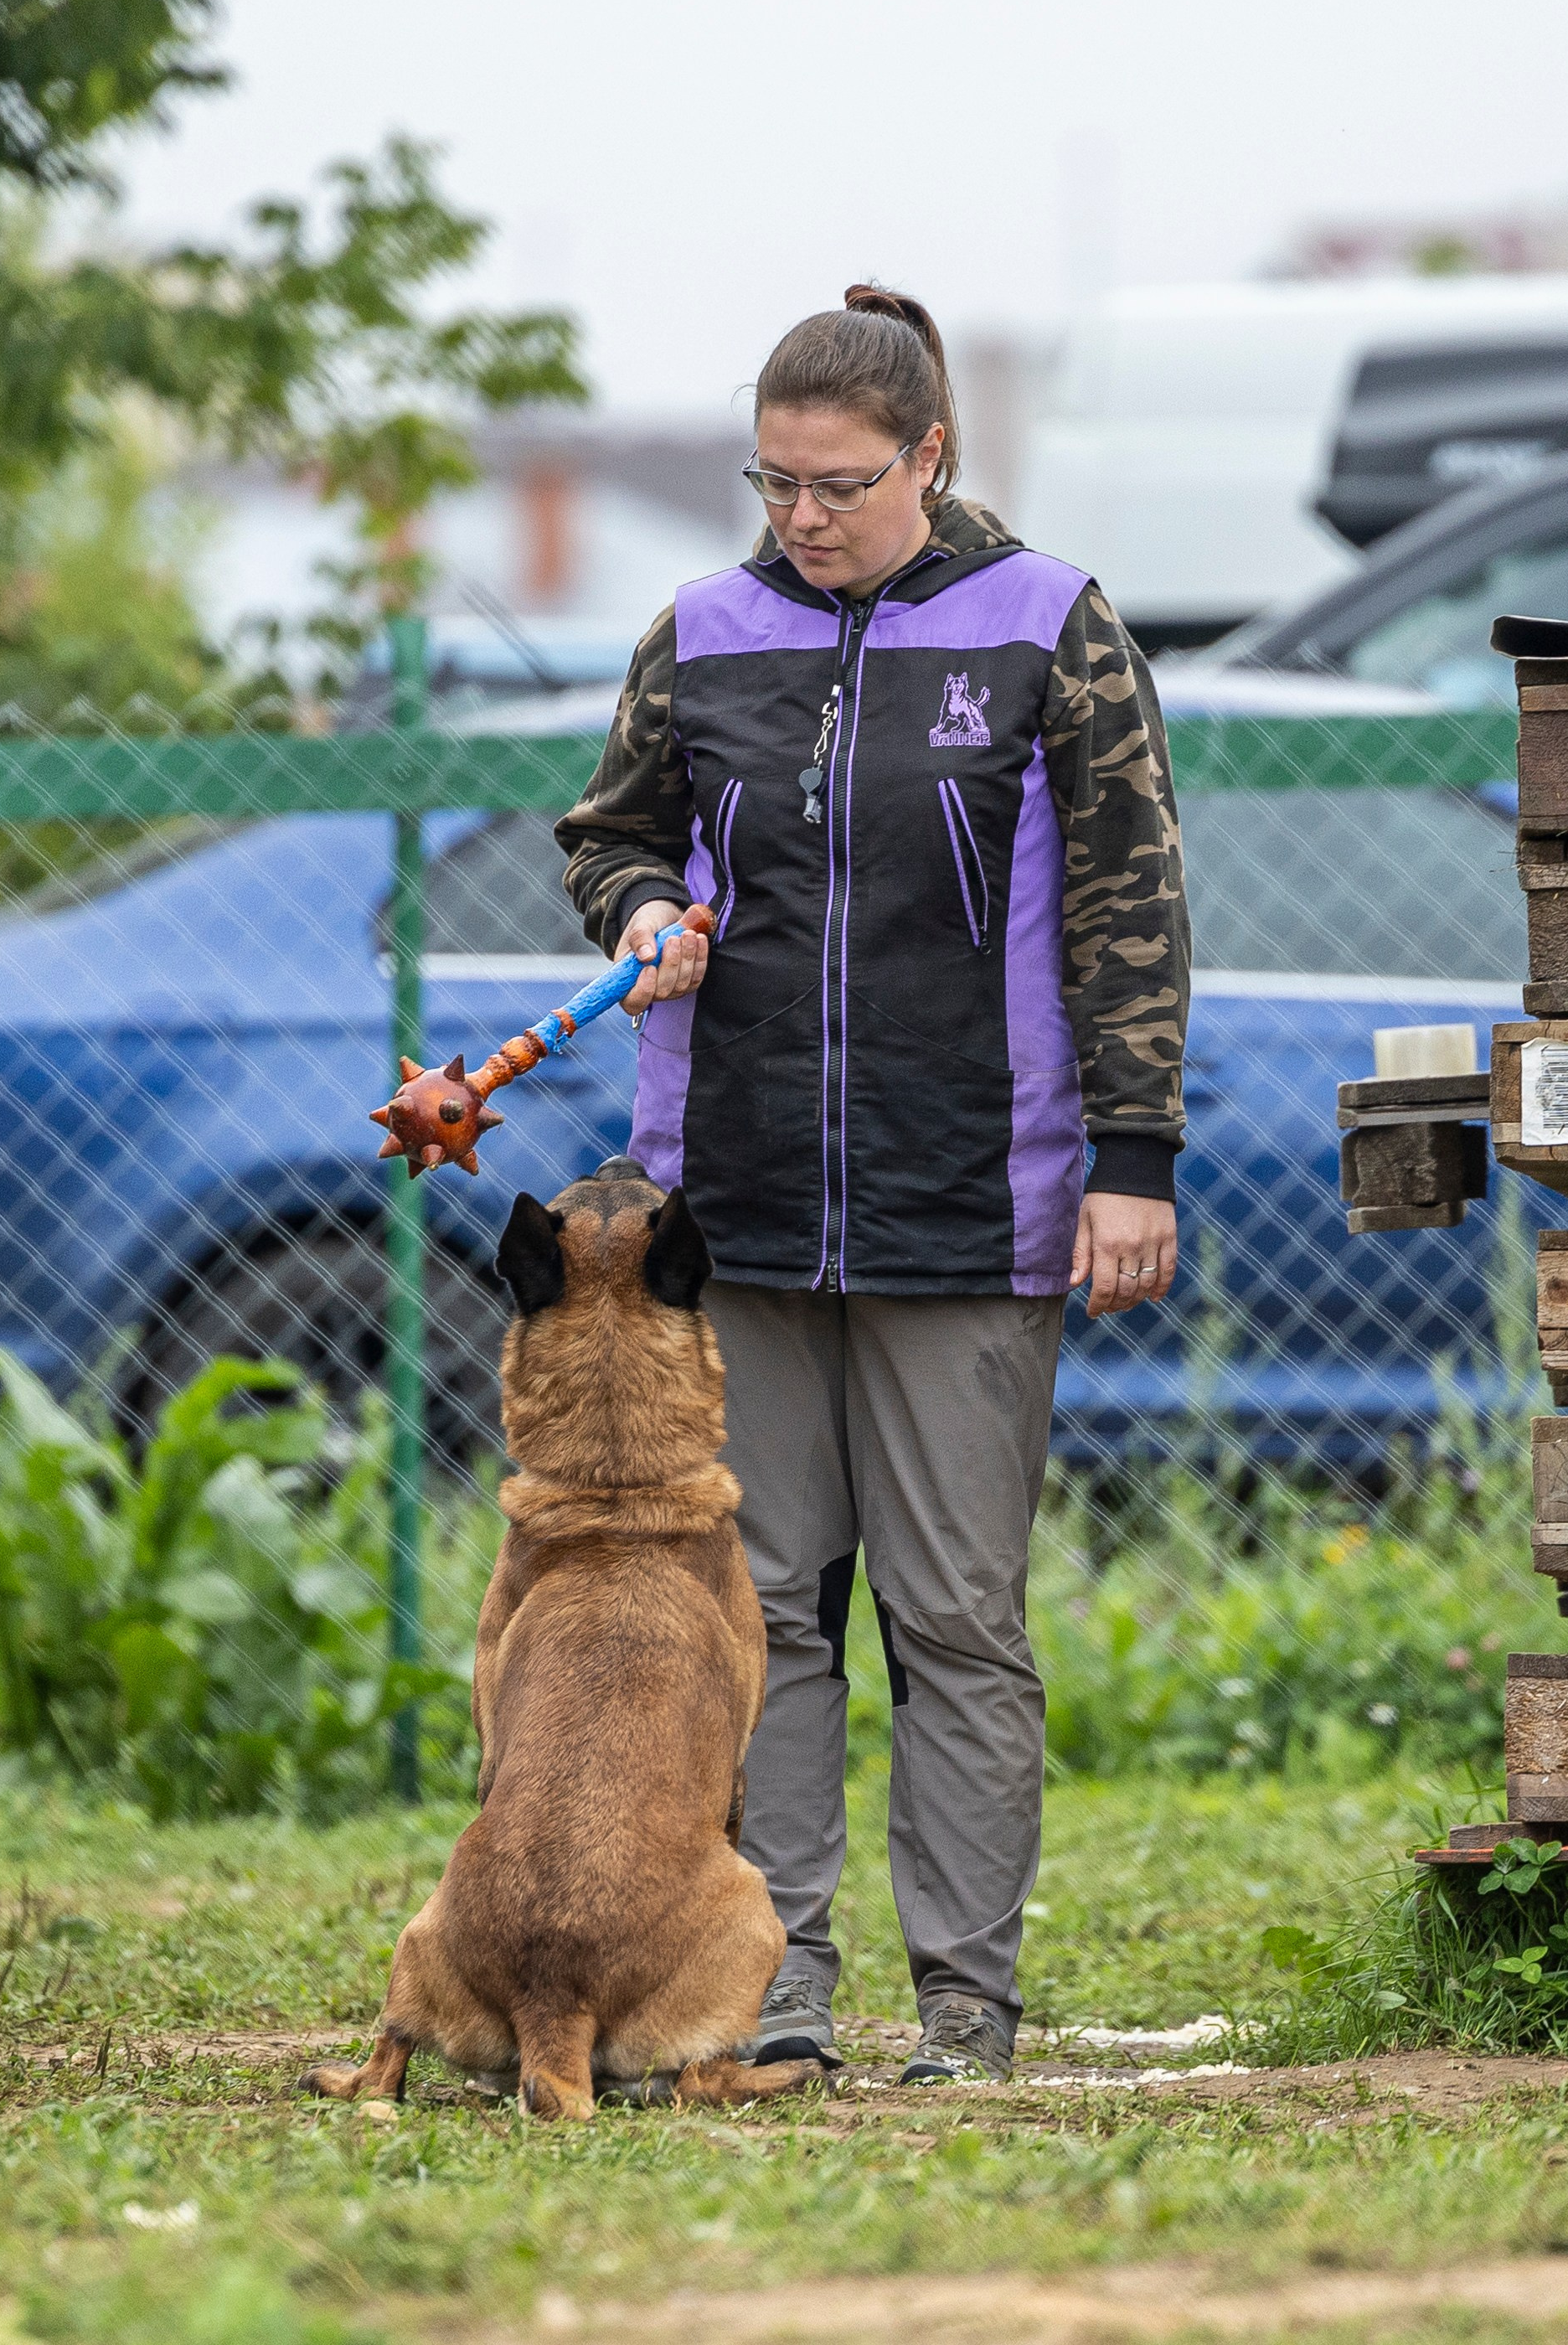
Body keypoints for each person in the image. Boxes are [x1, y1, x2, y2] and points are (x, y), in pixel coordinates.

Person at [556, 285, 1189, 2084]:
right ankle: (779, 1990)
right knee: (759, 1617)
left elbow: (1133, 904)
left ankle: (966, 2010)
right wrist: (641, 913)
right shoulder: (699, 630)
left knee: (955, 1618)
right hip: (735, 1202)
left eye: (835, 482)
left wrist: (1128, 1157)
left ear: (929, 455)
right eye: (772, 484)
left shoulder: (1050, 627)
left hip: (970, 1200)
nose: (800, 517)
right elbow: (609, 834)